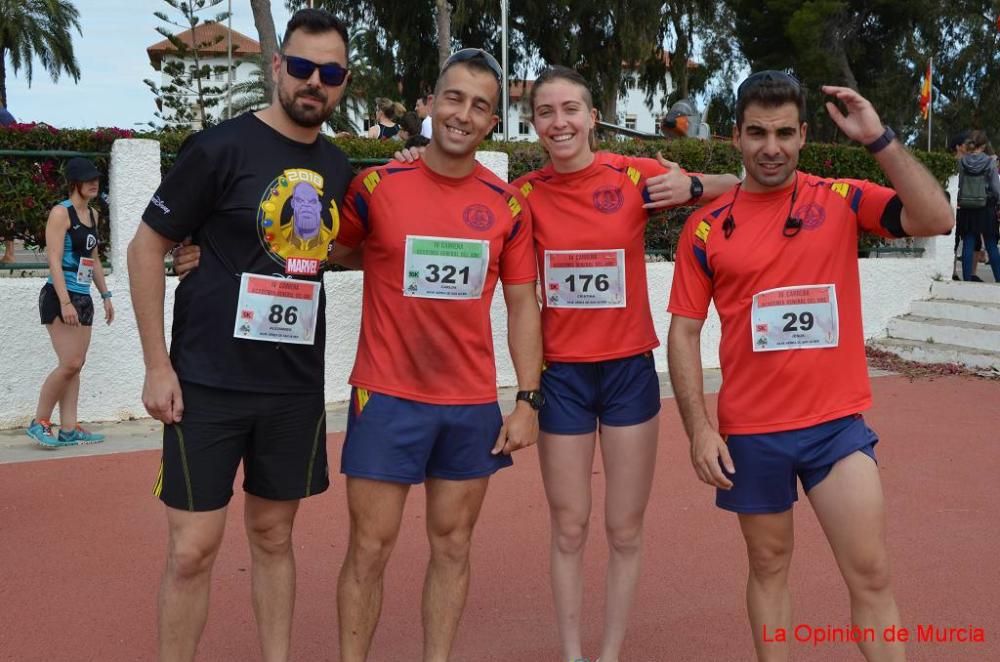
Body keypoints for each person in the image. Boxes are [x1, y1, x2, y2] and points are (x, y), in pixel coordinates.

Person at [667, 71, 953, 662]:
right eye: (756, 133)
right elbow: (684, 330)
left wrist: (878, 138)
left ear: (802, 135)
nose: (770, 148)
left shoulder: (842, 198)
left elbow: (935, 218)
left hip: (834, 427)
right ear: (736, 138)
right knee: (768, 569)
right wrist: (698, 427)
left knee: (870, 573)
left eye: (783, 133)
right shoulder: (704, 227)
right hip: (751, 433)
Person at [126, 9, 352, 662]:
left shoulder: (338, 168)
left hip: (293, 389)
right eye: (304, 67)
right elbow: (147, 249)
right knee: (193, 551)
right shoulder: (219, 147)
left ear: (342, 83)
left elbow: (340, 251)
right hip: (206, 384)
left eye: (330, 72)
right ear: (278, 67)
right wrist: (155, 366)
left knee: (275, 539)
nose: (315, 82)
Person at [514, 65, 738, 662]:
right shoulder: (526, 194)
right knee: (568, 526)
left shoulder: (631, 174)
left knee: (624, 529)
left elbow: (735, 183)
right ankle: (571, 653)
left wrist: (691, 187)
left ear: (592, 117)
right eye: (545, 112)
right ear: (534, 123)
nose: (559, 123)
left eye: (570, 110)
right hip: (561, 377)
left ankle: (609, 653)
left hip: (628, 374)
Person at [330, 48, 542, 662]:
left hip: (469, 403)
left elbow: (524, 305)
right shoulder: (376, 185)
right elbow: (325, 251)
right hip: (387, 394)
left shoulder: (507, 205)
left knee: (452, 546)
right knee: (369, 548)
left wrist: (527, 398)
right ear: (430, 102)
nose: (463, 114)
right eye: (454, 98)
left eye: (480, 106)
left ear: (492, 120)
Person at [26, 157, 114, 447]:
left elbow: (94, 258)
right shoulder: (60, 213)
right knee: (70, 362)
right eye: (88, 179)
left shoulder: (93, 215)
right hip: (59, 295)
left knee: (77, 365)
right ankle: (39, 421)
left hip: (83, 295)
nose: (94, 183)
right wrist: (65, 301)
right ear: (74, 182)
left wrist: (105, 296)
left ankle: (69, 428)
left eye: (96, 179)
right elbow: (52, 258)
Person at [956, 130, 1000, 282]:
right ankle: (999, 279)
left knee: (968, 241)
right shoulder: (990, 162)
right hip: (986, 206)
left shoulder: (962, 161)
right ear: (985, 145)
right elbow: (995, 187)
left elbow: (960, 184)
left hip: (967, 206)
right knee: (991, 243)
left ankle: (967, 279)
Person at [0, 104, 16, 263]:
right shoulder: (4, 114)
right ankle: (9, 253)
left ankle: (10, 253)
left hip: (5, 170)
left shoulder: (2, 115)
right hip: (7, 169)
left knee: (6, 213)